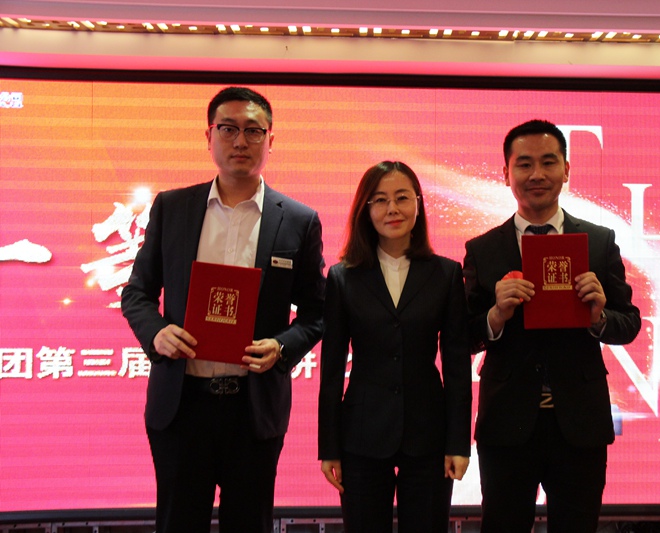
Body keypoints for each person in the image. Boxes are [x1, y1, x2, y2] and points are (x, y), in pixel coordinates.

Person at [121, 86, 325, 533]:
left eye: (254, 131)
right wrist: (156, 332)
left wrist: (282, 347)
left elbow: (317, 311)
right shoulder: (172, 207)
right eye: (228, 129)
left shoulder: (297, 220)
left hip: (252, 409)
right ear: (209, 136)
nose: (240, 141)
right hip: (182, 405)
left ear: (271, 140)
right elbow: (136, 293)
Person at [463, 120, 641, 533]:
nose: (537, 174)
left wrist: (598, 317)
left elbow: (629, 323)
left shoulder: (598, 241)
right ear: (506, 173)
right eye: (524, 164)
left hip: (579, 423)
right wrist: (495, 315)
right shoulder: (483, 249)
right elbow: (463, 337)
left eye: (548, 162)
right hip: (508, 424)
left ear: (566, 169)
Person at [318, 161, 472, 533]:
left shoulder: (446, 273)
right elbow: (331, 369)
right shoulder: (342, 277)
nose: (392, 209)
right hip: (362, 433)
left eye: (402, 198)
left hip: (429, 434)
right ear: (365, 209)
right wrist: (329, 448)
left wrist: (458, 443)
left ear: (418, 204)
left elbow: (456, 366)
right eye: (381, 200)